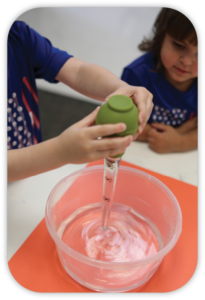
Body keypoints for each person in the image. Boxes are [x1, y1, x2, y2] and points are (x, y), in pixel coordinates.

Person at [7, 21, 153, 182]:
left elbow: (77, 72)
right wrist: (59, 152)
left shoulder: (16, 35)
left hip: (32, 169)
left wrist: (122, 89)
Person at [121, 8, 198, 154]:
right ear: (161, 35)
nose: (187, 61)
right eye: (179, 45)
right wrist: (182, 132)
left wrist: (179, 142)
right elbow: (121, 124)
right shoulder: (137, 75)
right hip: (135, 152)